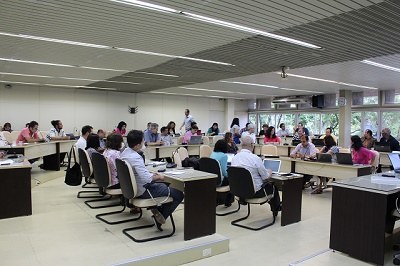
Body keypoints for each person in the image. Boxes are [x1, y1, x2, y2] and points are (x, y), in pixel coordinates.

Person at [121, 130, 184, 230]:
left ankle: (157, 209)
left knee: (163, 185)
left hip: (131, 188)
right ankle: (160, 217)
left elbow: (140, 174)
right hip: (143, 191)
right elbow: (147, 179)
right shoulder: (136, 157)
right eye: (142, 141)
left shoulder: (124, 153)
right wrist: (159, 176)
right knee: (178, 194)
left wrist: (151, 174)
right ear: (137, 145)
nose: (143, 143)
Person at [231, 136, 281, 216]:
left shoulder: (235, 158)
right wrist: (269, 172)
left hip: (239, 192)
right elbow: (266, 177)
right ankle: (276, 209)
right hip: (255, 193)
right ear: (252, 145)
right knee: (273, 187)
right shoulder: (255, 158)